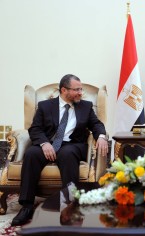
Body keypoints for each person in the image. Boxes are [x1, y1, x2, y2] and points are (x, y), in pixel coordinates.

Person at [12, 74, 109, 226]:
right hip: (49, 144)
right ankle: (27, 205)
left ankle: (69, 206)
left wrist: (102, 136)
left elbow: (96, 124)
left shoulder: (86, 106)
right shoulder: (45, 106)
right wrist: (44, 143)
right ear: (64, 90)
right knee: (31, 153)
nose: (80, 93)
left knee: (67, 153)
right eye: (76, 89)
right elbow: (35, 129)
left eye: (81, 89)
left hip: (73, 145)